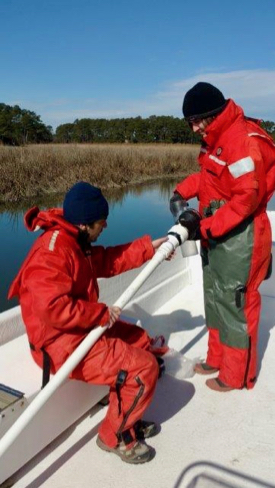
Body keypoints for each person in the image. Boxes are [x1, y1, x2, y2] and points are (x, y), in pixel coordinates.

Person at [8, 181, 171, 464]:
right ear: (85, 225)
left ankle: (125, 413)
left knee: (142, 342)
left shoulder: (74, 239)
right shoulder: (52, 252)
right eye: (102, 223)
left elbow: (106, 260)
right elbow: (52, 308)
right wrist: (98, 314)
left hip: (77, 329)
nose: (105, 227)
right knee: (142, 369)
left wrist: (149, 248)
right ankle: (115, 436)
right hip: (58, 345)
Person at [172, 82, 275, 392]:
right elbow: (208, 178)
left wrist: (206, 227)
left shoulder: (242, 141)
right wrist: (181, 191)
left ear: (211, 115)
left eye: (195, 121)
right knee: (215, 298)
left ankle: (236, 376)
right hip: (217, 235)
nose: (192, 129)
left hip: (240, 236)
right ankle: (216, 358)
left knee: (235, 304)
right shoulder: (214, 138)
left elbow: (246, 199)